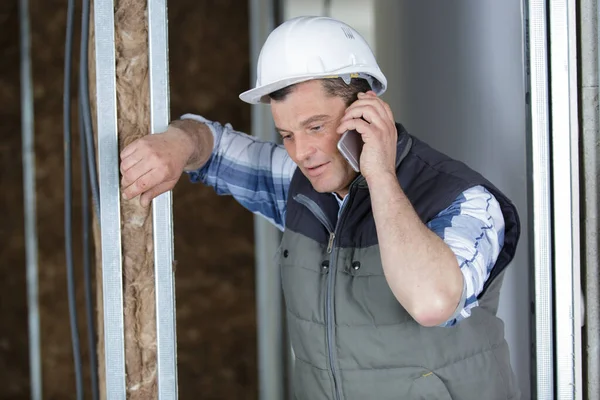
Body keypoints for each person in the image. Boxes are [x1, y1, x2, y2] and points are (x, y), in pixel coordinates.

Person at [120, 16, 521, 400]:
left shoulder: (465, 200)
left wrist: (379, 174)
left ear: (367, 108)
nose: (302, 153)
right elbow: (214, 148)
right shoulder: (303, 185)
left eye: (315, 127)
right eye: (287, 134)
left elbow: (433, 302)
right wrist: (176, 143)